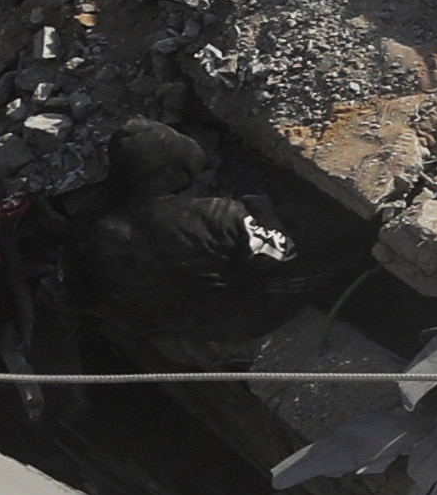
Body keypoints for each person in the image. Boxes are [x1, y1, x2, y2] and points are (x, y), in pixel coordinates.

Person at [70, 121, 310, 353]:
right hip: (245, 328)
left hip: (180, 335)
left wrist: (151, 322)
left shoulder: (87, 230)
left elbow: (85, 299)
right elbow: (281, 256)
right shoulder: (218, 214)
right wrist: (264, 211)